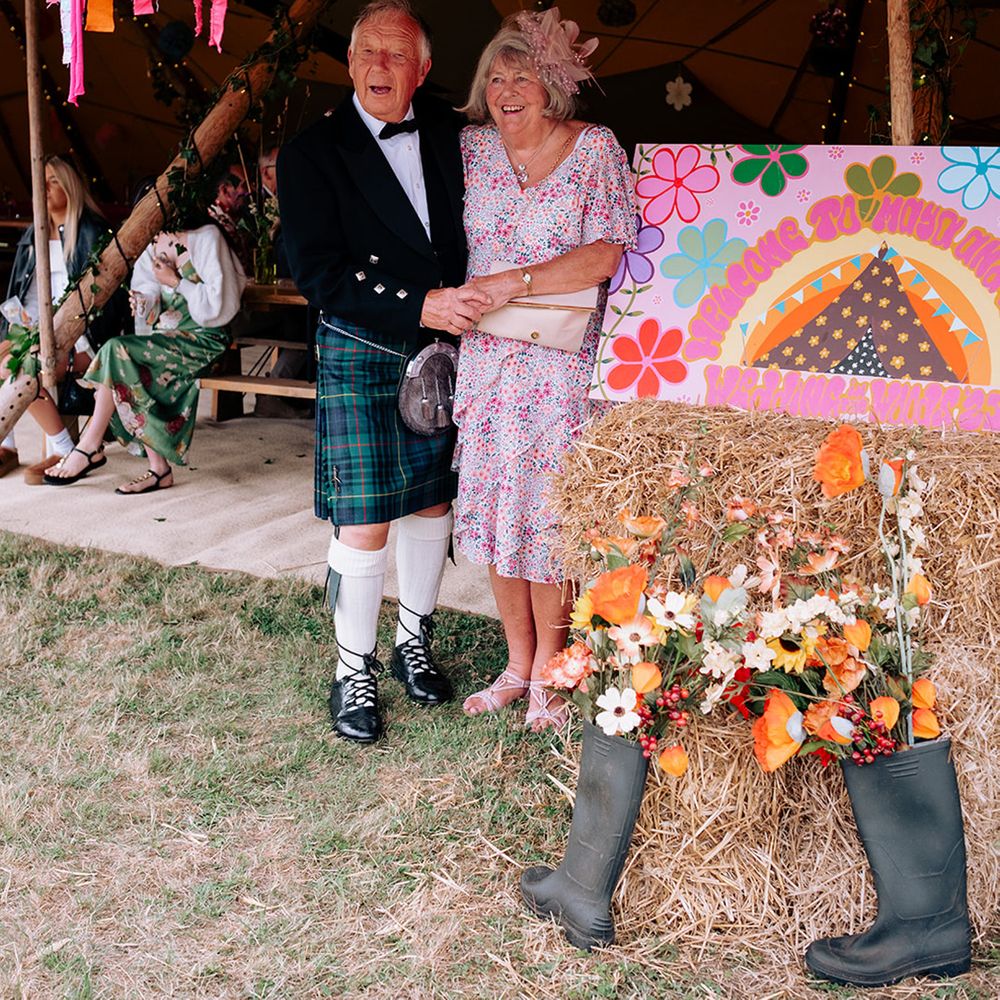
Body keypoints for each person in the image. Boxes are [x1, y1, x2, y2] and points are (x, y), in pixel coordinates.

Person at [278, 0, 490, 744]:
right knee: (365, 521)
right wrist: (419, 304)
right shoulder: (311, 154)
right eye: (368, 51)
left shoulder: (455, 137)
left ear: (424, 70)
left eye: (398, 55)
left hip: (444, 348)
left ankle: (413, 638)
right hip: (364, 343)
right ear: (349, 62)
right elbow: (315, 271)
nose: (379, 66)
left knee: (433, 506)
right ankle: (353, 668)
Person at [455, 10, 636, 730]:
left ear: (552, 85)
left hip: (559, 365)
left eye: (521, 75)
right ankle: (516, 665)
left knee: (546, 514)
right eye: (494, 77)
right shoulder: (469, 150)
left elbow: (607, 253)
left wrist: (513, 282)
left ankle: (554, 672)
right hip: (488, 359)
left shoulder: (593, 150)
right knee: (501, 510)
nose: (505, 90)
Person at [43, 220, 245, 492]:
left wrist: (175, 281)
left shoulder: (205, 237)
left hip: (204, 339)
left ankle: (90, 446)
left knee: (117, 350)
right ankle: (157, 469)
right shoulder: (153, 242)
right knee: (124, 361)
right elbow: (149, 297)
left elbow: (221, 304)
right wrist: (143, 302)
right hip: (165, 339)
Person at [0, 154, 128, 481]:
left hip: (84, 338)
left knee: (25, 368)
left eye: (53, 180)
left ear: (70, 186)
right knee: (6, 358)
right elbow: (21, 295)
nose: (44, 187)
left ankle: (65, 448)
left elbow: (108, 304)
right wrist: (12, 333)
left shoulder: (90, 231)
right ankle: (7, 445)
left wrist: (66, 337)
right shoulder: (34, 235)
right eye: (40, 180)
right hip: (38, 333)